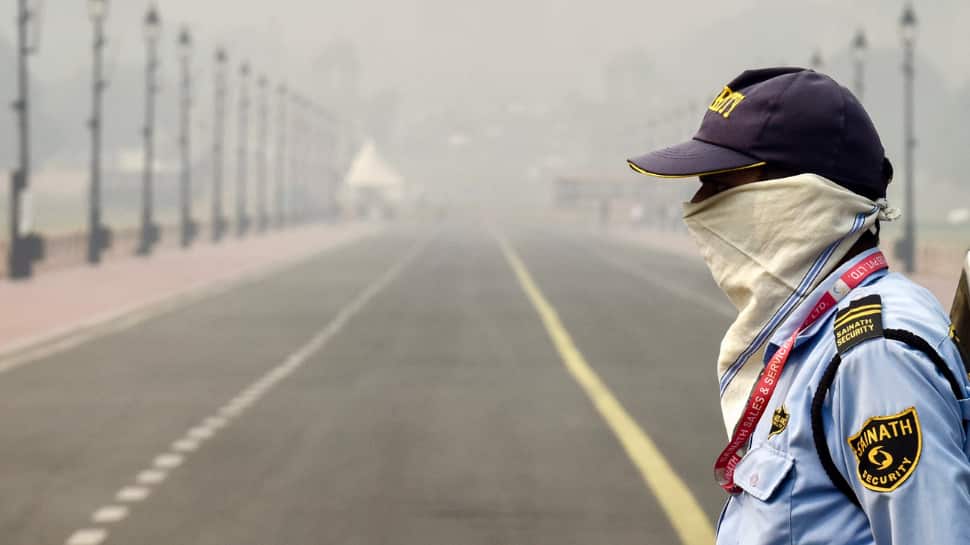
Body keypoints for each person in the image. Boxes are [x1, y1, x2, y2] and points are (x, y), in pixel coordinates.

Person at [626, 67, 970, 544]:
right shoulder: (814, 332)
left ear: (799, 197)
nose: (698, 205)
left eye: (722, 185)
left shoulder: (875, 354)